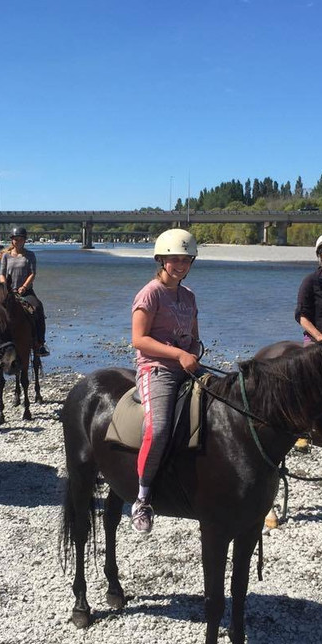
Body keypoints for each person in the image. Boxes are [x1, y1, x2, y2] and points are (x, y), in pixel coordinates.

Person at [129, 228, 201, 535]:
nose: (180, 265)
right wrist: (177, 355)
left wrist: (194, 352)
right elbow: (138, 339)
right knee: (158, 429)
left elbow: (195, 337)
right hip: (156, 369)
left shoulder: (189, 296)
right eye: (174, 259)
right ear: (162, 259)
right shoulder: (150, 293)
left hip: (186, 366)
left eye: (186, 259)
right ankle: (142, 498)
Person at [0, 227, 49, 356]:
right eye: (15, 239)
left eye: (20, 239)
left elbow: (32, 273)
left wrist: (24, 287)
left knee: (37, 307)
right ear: (12, 241)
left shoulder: (30, 255)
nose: (18, 241)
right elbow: (2, 274)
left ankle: (40, 343)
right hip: (8, 292)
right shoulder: (6, 256)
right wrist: (5, 286)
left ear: (24, 241)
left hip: (25, 291)